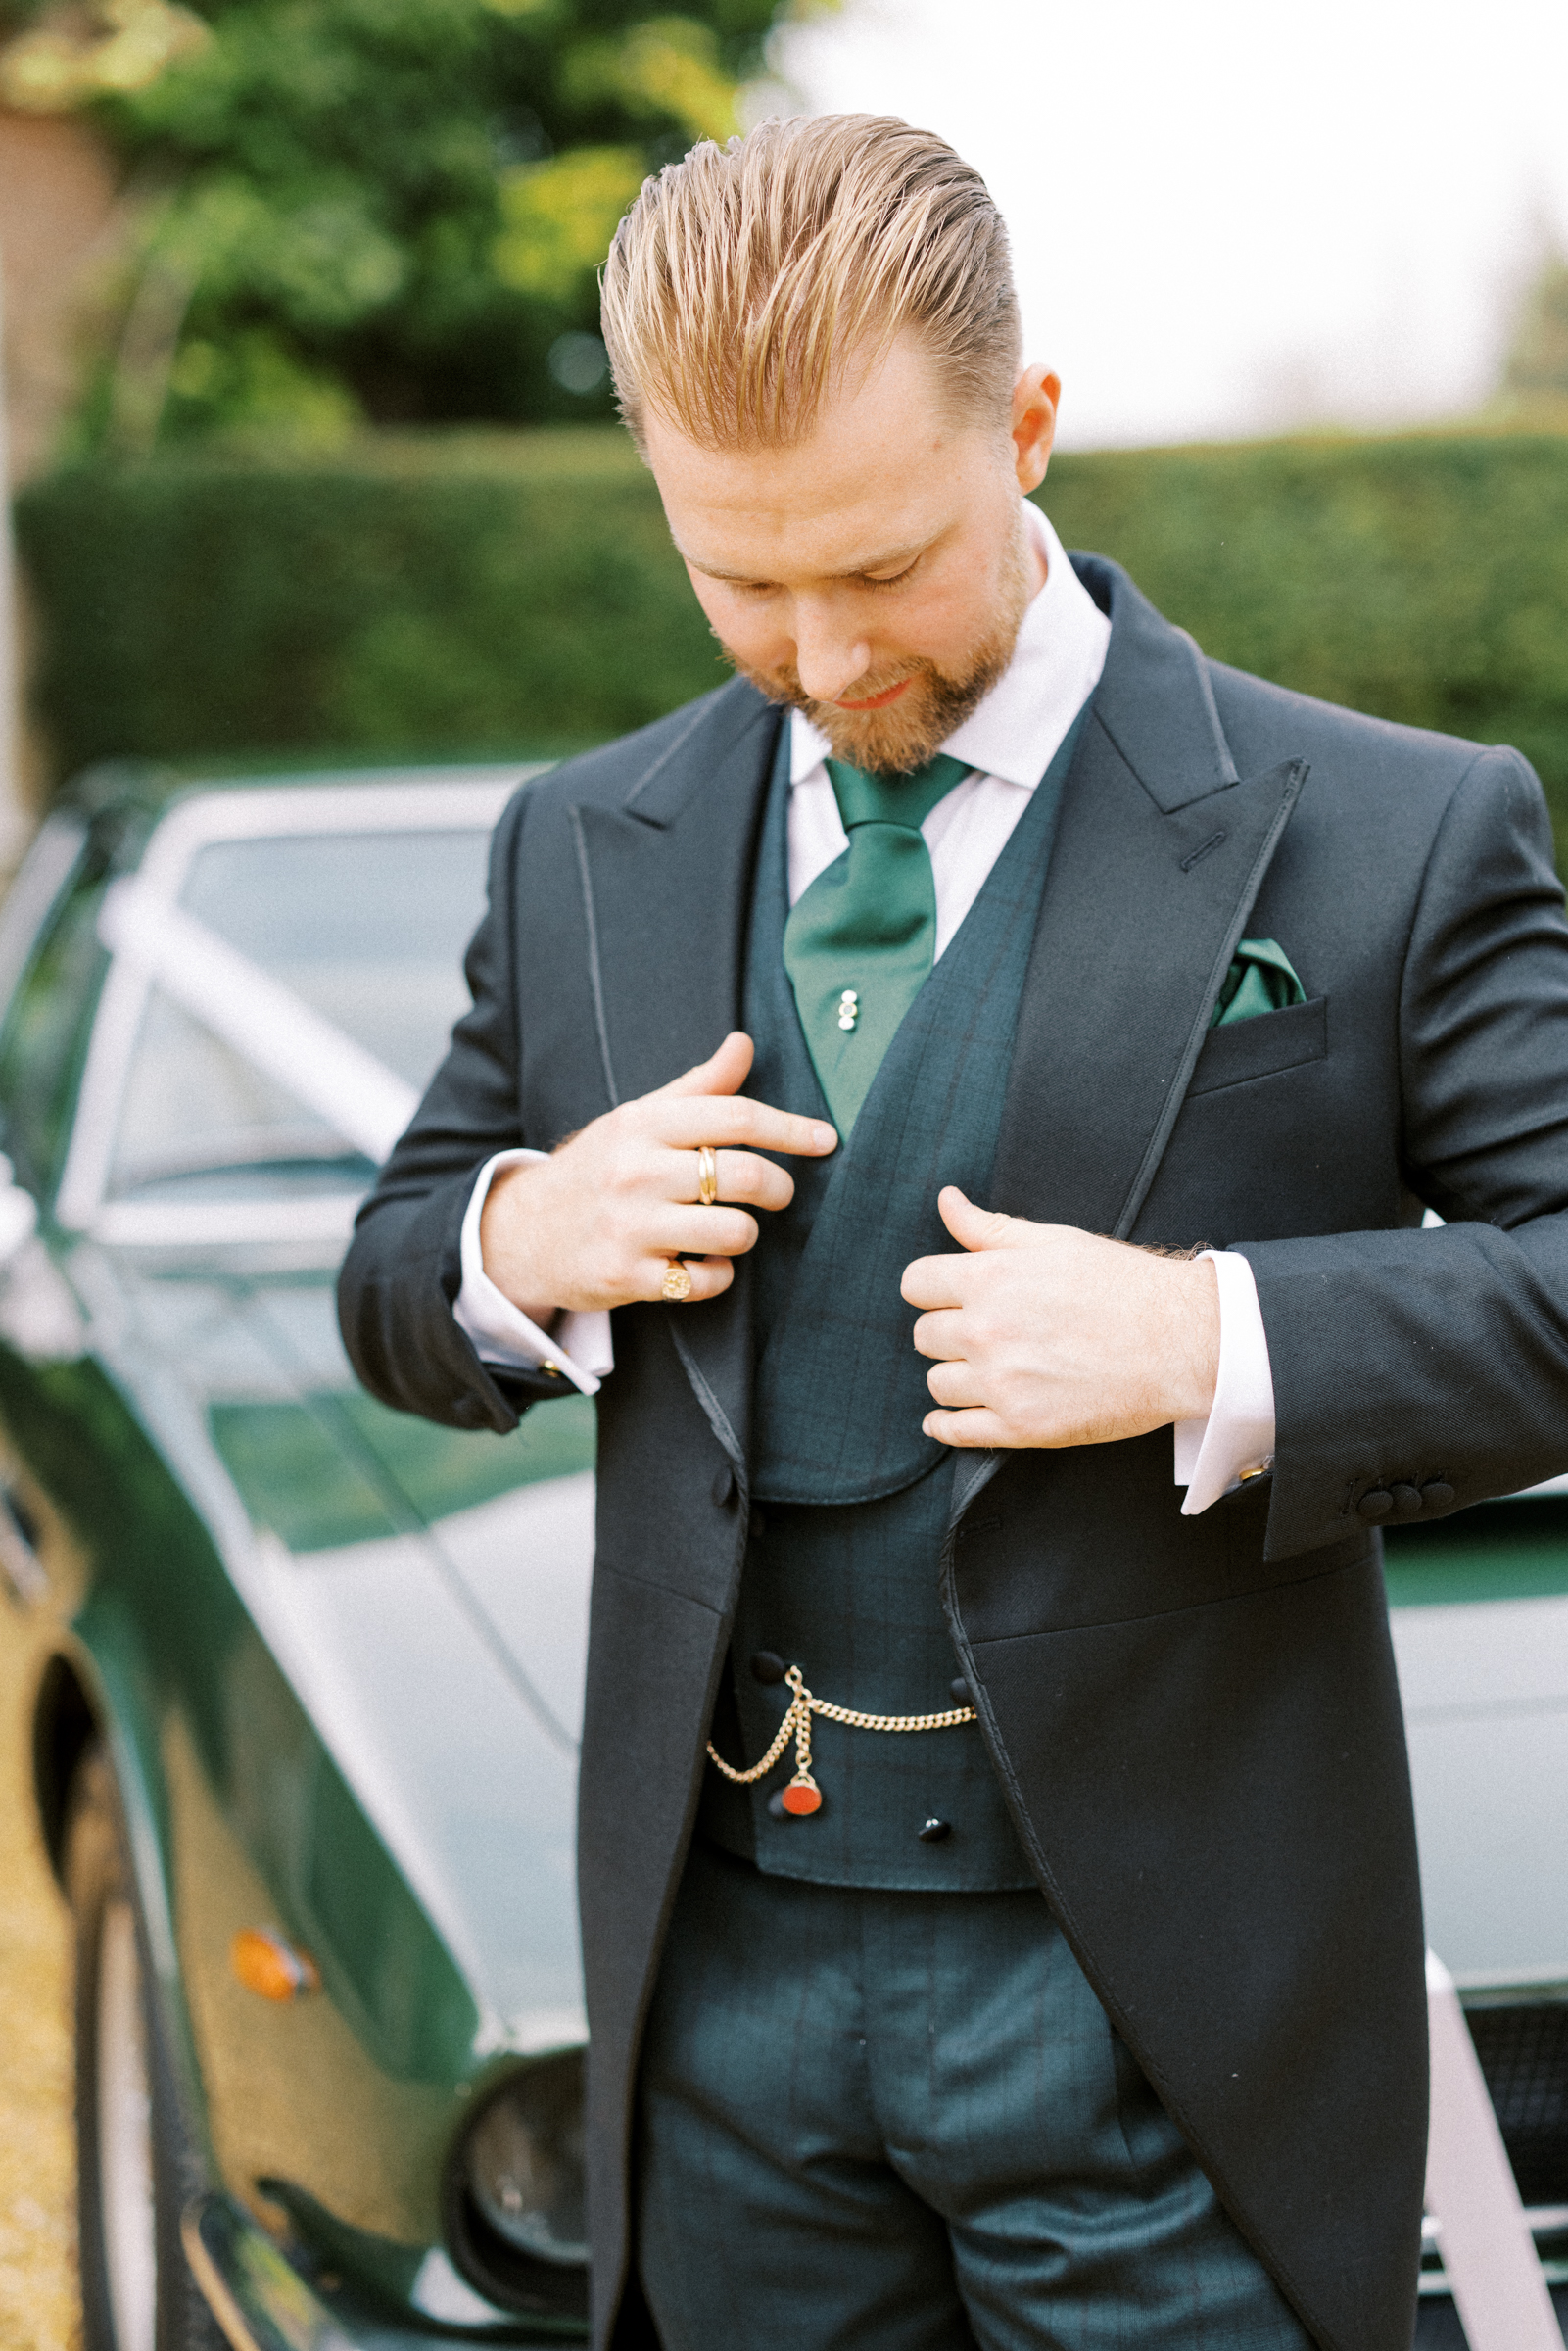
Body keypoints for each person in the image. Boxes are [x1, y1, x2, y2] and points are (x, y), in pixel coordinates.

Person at [337, 114, 1568, 2351]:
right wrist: (524, 1236)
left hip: (1156, 2011)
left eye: (885, 562)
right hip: (717, 2008)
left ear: (1027, 427)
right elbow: (393, 1282)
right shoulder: (579, 841)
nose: (818, 652)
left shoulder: (1402, 831)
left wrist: (1217, 1340)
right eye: (737, 577)